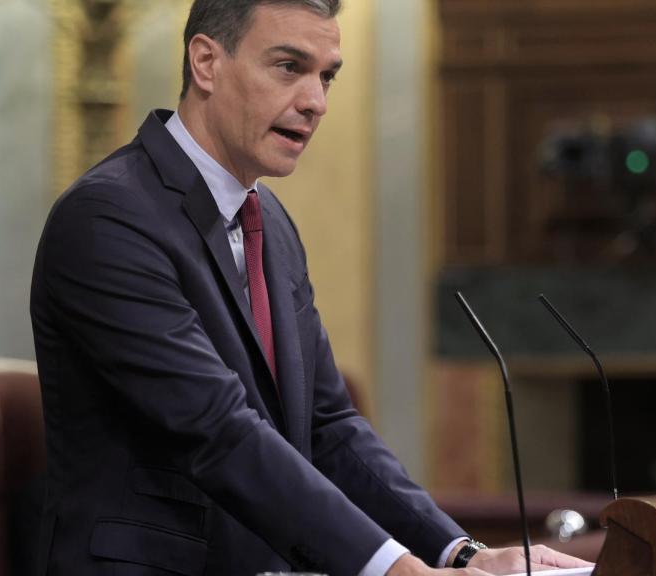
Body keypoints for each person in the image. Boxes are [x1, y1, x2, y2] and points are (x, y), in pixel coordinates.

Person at [30, 1, 594, 575]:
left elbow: (329, 425)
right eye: (288, 67)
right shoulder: (108, 217)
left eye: (326, 75)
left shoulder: (267, 220)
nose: (315, 102)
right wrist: (398, 570)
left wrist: (458, 552)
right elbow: (216, 430)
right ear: (206, 62)